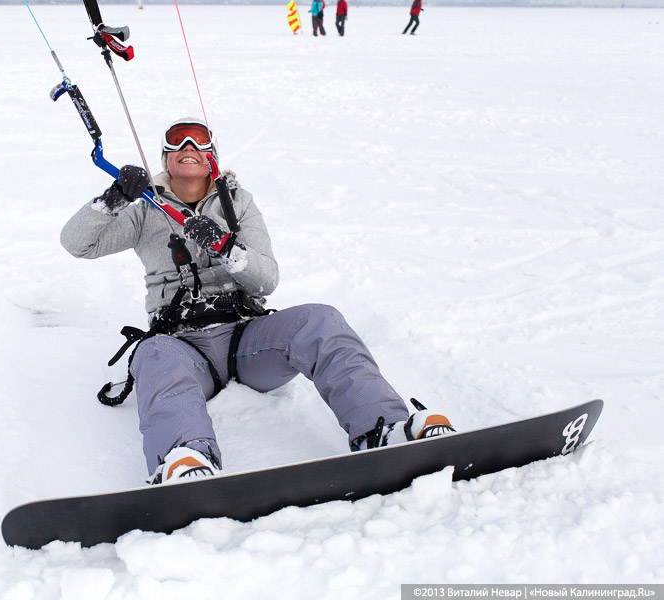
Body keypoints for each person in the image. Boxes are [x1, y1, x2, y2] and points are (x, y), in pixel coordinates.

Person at [60, 117, 454, 484]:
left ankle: (382, 428)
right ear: (165, 158)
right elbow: (77, 244)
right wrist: (113, 199)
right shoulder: (145, 211)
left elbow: (267, 280)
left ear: (212, 156)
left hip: (246, 340)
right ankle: (186, 460)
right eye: (177, 141)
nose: (188, 146)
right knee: (154, 354)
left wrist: (226, 247)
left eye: (199, 140)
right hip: (183, 347)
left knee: (320, 319)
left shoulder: (238, 203)